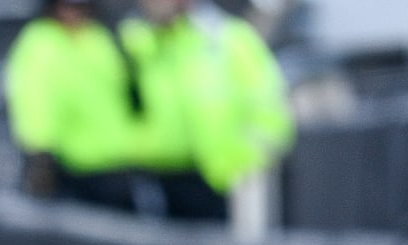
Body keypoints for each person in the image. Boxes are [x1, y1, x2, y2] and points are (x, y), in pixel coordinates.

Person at [114, 0, 295, 221]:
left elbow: (271, 114)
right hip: (151, 181)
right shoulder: (131, 41)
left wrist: (240, 163)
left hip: (217, 182)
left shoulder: (230, 39)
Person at [5, 0, 154, 210]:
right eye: (67, 6)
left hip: (119, 165)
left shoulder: (100, 36)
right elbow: (34, 99)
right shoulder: (41, 41)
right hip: (73, 169)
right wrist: (39, 151)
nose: (73, 13)